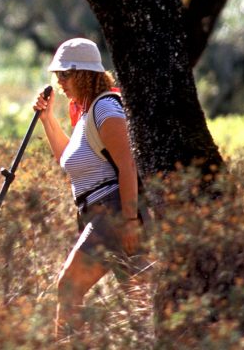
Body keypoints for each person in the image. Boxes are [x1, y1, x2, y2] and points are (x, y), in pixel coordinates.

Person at [33, 37, 147, 338]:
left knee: (69, 287)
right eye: (58, 76)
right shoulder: (85, 112)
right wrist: (47, 120)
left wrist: (131, 221)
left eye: (66, 75)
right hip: (97, 213)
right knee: (141, 301)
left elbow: (127, 166)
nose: (60, 82)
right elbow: (66, 158)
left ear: (86, 73)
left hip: (113, 212)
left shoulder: (106, 108)